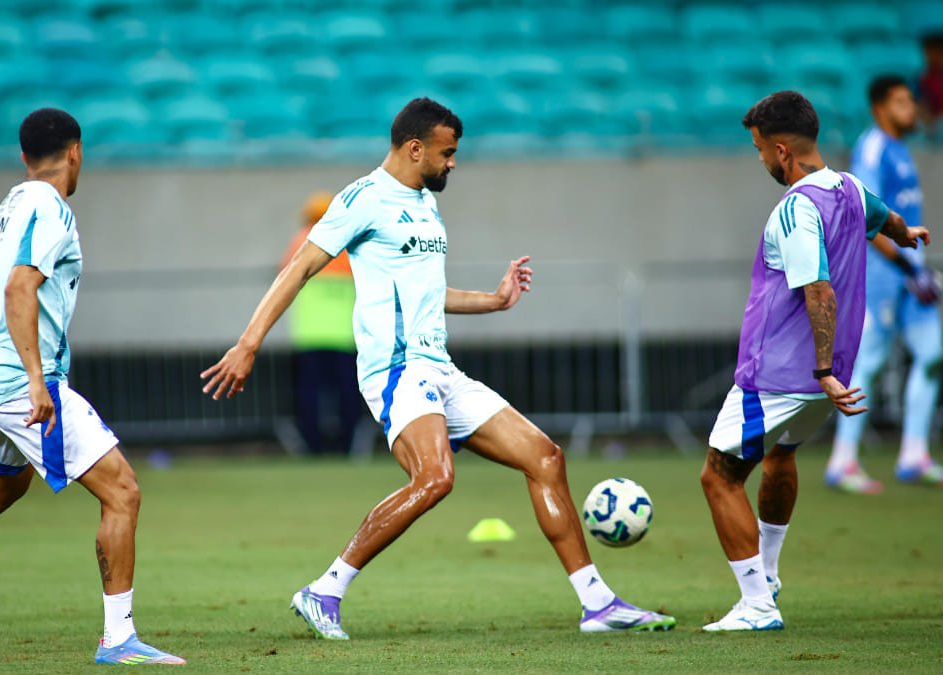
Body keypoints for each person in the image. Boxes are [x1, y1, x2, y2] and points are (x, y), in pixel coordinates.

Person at [202, 97, 675, 638]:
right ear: (415, 148)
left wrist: (493, 301)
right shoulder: (363, 199)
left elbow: (427, 292)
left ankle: (598, 605)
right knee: (434, 478)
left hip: (440, 368)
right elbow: (297, 270)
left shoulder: (426, 204)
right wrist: (248, 343)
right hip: (396, 370)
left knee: (546, 458)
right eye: (447, 153)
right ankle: (324, 590)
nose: (453, 163)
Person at [0, 109, 184, 666]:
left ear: (24, 158)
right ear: (76, 152)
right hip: (21, 381)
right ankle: (119, 639)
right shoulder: (51, 208)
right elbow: (21, 290)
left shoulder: (7, 209)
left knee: (5, 488)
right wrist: (37, 381)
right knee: (123, 491)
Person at [699, 91, 928, 632]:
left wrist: (821, 369)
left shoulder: (796, 207)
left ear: (781, 150)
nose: (759, 161)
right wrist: (907, 234)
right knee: (781, 457)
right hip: (829, 376)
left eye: (758, 150)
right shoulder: (846, 186)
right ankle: (770, 578)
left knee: (719, 476)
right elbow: (884, 215)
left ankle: (756, 604)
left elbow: (818, 291)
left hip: (780, 372)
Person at [828, 75, 942, 493]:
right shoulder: (873, 148)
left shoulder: (901, 150)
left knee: (933, 355)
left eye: (911, 101)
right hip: (881, 277)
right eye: (901, 102)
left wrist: (918, 270)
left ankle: (914, 454)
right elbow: (866, 221)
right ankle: (843, 461)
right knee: (869, 365)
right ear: (880, 108)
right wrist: (910, 269)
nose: (910, 108)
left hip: (912, 276)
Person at [280, 191, 363, 455]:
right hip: (343, 335)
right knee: (347, 394)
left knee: (310, 395)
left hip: (309, 334)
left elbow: (284, 277)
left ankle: (312, 445)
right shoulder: (349, 244)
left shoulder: (300, 242)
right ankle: (347, 445)